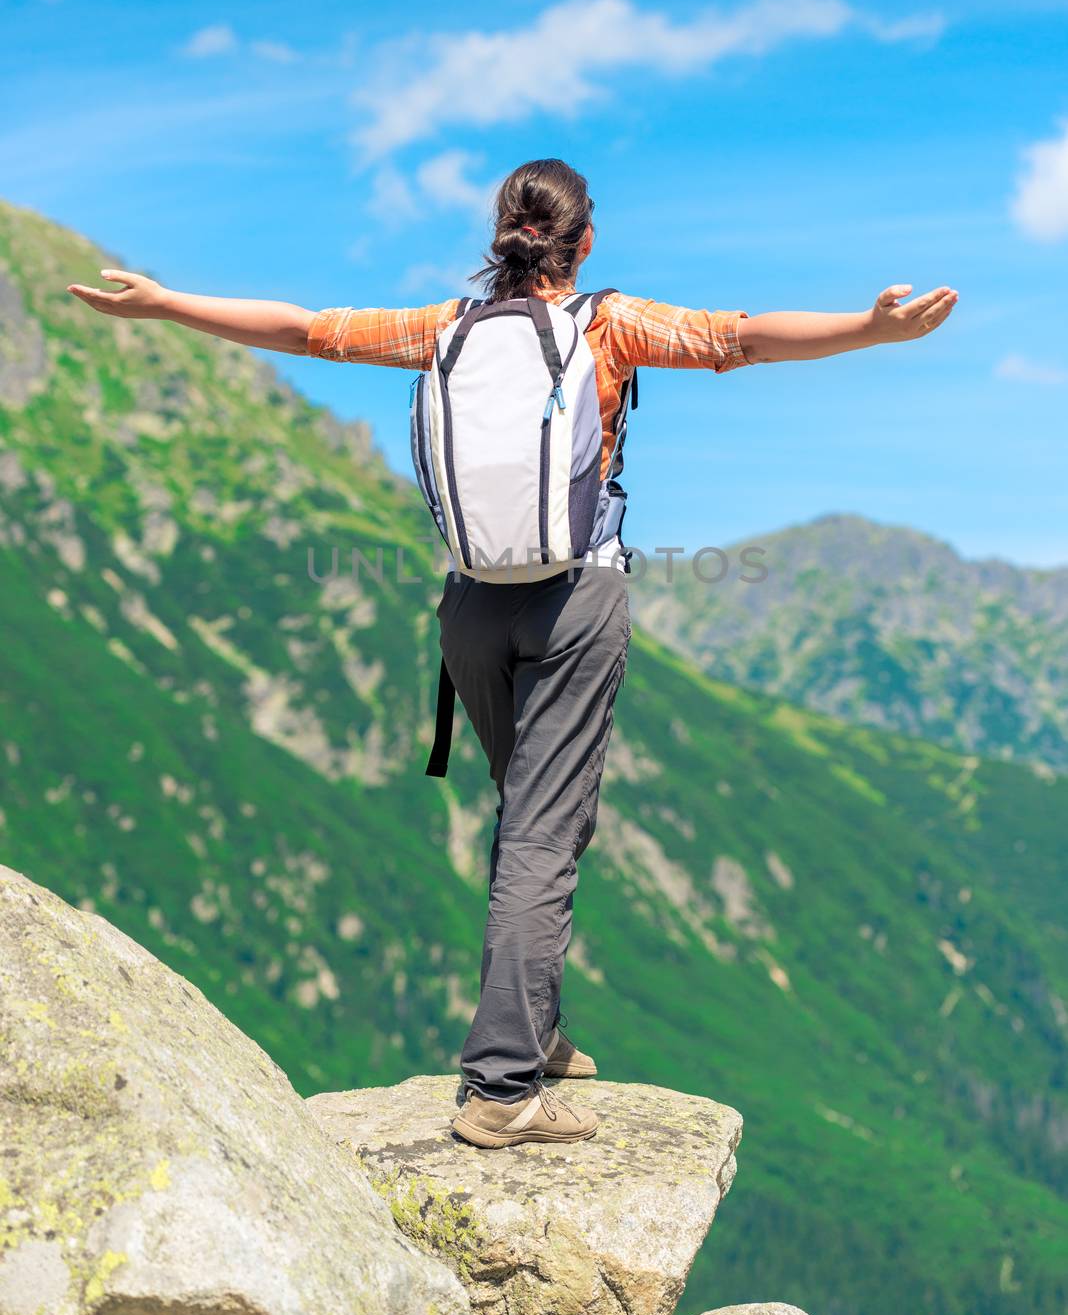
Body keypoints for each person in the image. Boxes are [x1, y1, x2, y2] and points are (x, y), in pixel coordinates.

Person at [67, 157, 958, 1149]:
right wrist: (873, 329)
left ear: (504, 235)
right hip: (575, 601)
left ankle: (534, 1028)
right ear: (582, 242)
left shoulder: (443, 329)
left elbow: (304, 327)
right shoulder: (606, 324)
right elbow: (737, 339)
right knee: (544, 830)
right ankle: (502, 1088)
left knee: (531, 818)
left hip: (472, 612)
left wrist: (165, 303)